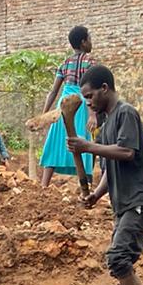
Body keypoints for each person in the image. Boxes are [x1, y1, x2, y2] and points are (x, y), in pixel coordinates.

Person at [67, 64, 143, 285]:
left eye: (90, 96)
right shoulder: (106, 124)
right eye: (84, 98)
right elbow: (110, 167)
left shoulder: (126, 113)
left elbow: (126, 152)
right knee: (122, 259)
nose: (88, 102)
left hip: (140, 200)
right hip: (123, 204)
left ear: (105, 89)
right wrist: (96, 194)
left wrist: (87, 146)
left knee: (118, 256)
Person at [39, 24, 94, 189]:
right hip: (81, 105)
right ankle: (85, 186)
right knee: (82, 141)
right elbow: (90, 90)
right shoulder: (90, 62)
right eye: (89, 38)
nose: (91, 42)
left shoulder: (65, 63)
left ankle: (43, 186)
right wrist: (92, 115)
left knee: (55, 141)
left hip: (63, 104)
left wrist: (44, 116)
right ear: (83, 42)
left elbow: (53, 92)